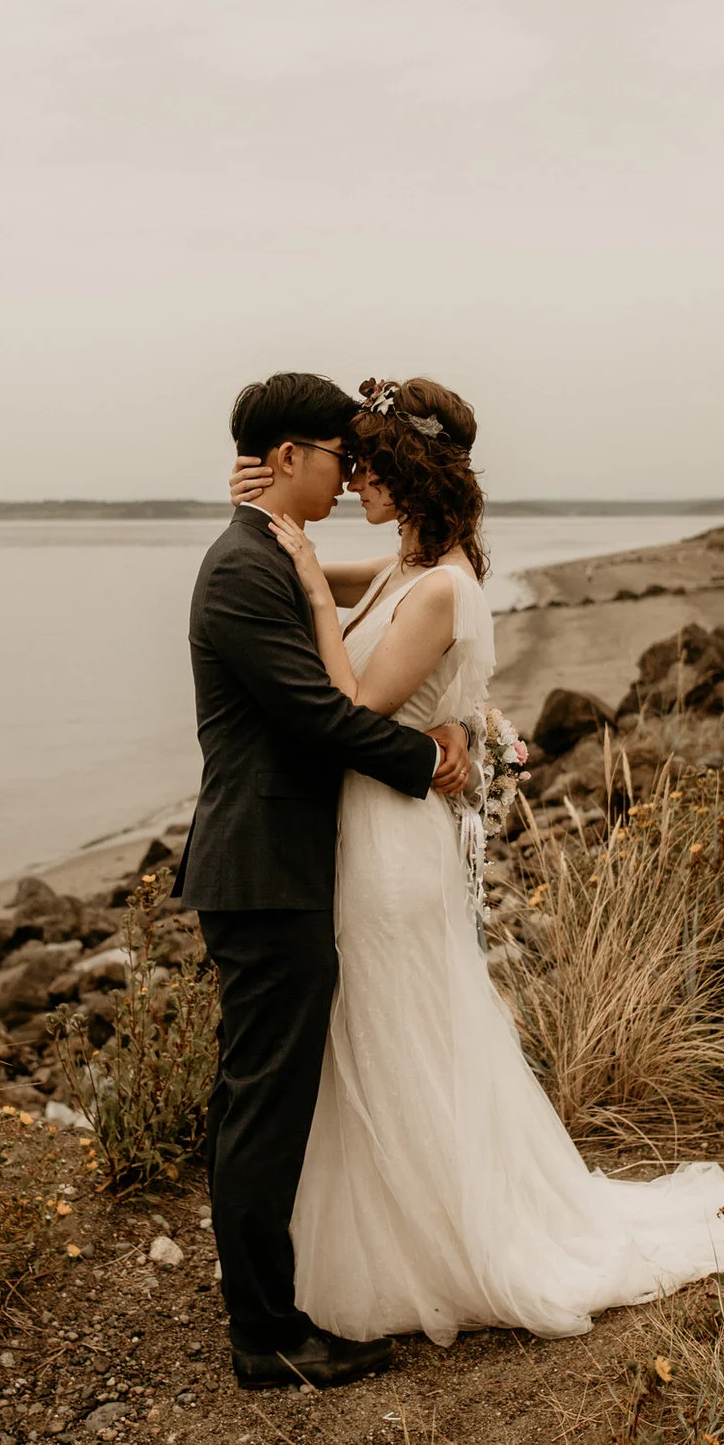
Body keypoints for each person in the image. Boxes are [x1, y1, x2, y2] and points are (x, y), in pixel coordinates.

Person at [231, 375, 724, 1350]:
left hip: (390, 844)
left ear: (410, 472)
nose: (353, 481)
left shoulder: (440, 587)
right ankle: (379, 1231)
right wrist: (274, 526)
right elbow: (350, 579)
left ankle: (438, 1241)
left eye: (372, 466)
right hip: (378, 830)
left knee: (401, 1036)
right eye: (347, 463)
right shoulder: (415, 565)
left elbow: (346, 701)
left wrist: (304, 579)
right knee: (395, 1033)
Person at [178, 372, 472, 1390]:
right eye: (339, 455)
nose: (351, 473)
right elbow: (316, 712)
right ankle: (263, 1332)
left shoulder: (269, 550)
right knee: (262, 1098)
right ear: (292, 458)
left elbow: (396, 587)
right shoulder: (244, 570)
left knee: (266, 1092)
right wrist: (431, 760)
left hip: (283, 864)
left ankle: (274, 1299)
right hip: (264, 870)